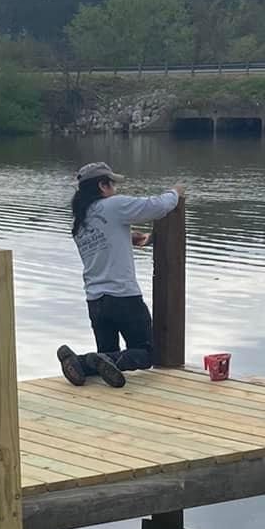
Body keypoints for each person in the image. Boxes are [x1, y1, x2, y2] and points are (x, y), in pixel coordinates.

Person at [57, 161, 183, 389]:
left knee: (107, 355)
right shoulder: (113, 206)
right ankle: (94, 360)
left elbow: (104, 242)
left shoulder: (80, 222)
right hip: (123, 297)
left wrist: (127, 237)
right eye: (112, 184)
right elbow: (156, 206)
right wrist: (174, 192)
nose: (115, 189)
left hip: (95, 300)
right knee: (146, 354)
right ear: (103, 186)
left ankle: (80, 363)